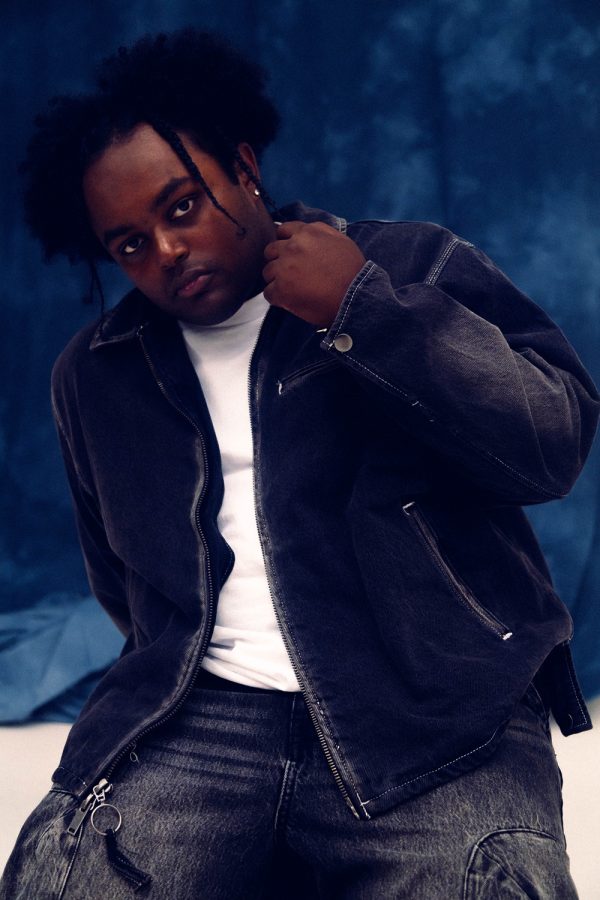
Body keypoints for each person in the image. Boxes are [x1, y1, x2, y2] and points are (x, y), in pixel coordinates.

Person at [2, 27, 598, 900]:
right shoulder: (96, 372)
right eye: (129, 244)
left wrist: (364, 309)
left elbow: (553, 443)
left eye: (180, 207)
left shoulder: (410, 265)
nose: (165, 252)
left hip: (433, 713)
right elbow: (123, 581)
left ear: (244, 167)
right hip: (199, 718)